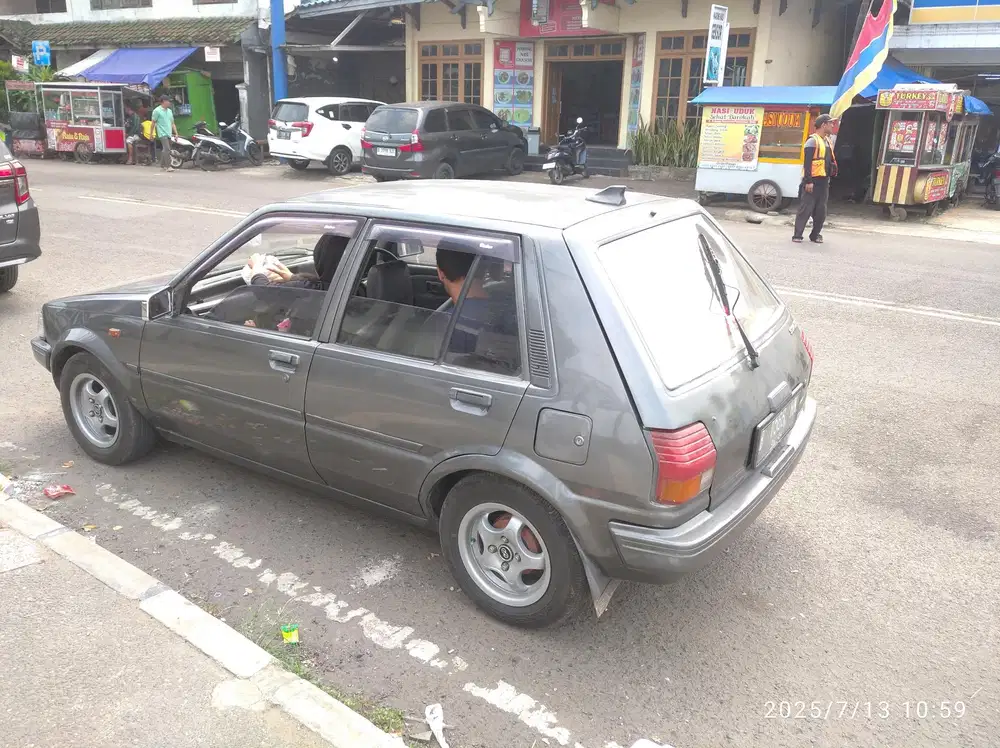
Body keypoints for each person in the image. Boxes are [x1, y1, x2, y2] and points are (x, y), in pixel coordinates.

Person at [793, 113, 838, 244]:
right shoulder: (812, 141)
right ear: (823, 125)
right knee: (805, 209)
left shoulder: (827, 141)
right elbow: (807, 164)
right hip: (812, 181)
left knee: (821, 210)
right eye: (830, 123)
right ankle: (797, 235)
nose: (832, 125)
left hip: (824, 181)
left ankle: (815, 234)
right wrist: (808, 181)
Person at [150, 95, 177, 172]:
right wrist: (151, 134)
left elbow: (172, 123)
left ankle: (162, 165)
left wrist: (176, 133)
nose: (169, 103)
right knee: (167, 149)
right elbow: (153, 123)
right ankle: (168, 166)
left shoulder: (169, 111)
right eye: (168, 101)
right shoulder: (157, 111)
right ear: (163, 101)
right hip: (162, 133)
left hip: (169, 133)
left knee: (165, 149)